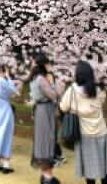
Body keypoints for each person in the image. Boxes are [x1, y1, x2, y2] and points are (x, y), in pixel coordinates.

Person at [60, 61, 107, 184]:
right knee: (104, 165)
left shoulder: (72, 90)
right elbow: (101, 102)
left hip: (84, 132)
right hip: (101, 130)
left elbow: (63, 107)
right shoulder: (99, 89)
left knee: (89, 167)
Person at [28, 53, 65, 184]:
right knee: (46, 140)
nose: (49, 66)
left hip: (41, 110)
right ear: (44, 65)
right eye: (48, 63)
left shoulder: (35, 78)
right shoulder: (41, 79)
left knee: (43, 140)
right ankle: (48, 176)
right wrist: (60, 86)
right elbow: (53, 95)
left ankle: (45, 174)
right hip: (45, 111)